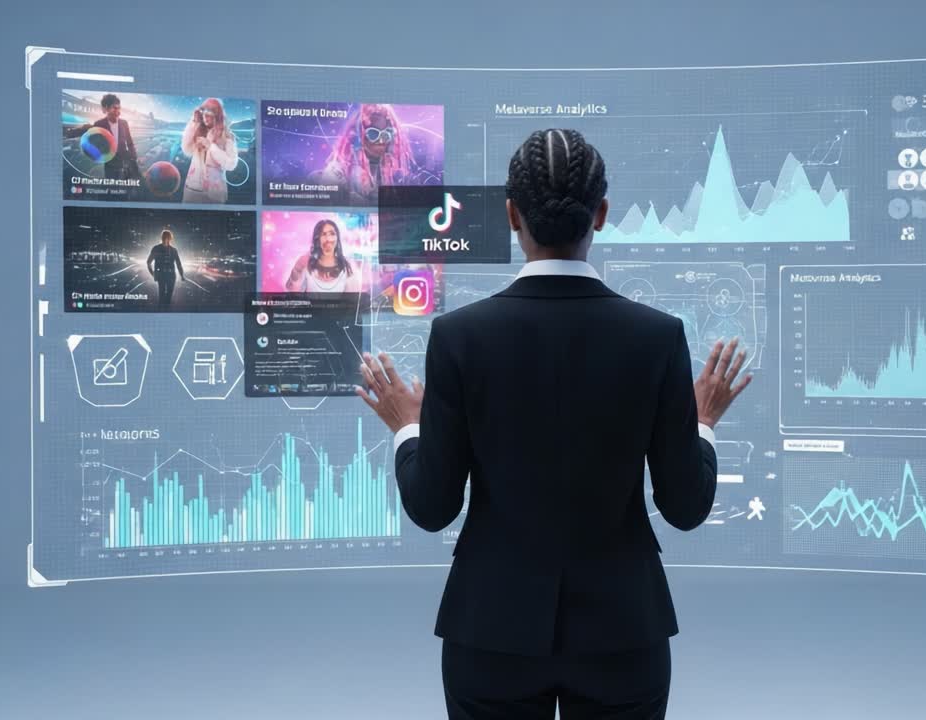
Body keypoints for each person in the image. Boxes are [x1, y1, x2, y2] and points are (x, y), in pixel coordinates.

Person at [357, 129, 751, 719]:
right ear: (602, 213)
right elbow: (686, 507)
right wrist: (703, 424)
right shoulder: (657, 338)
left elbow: (432, 506)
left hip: (490, 632)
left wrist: (406, 428)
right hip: (624, 635)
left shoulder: (459, 337)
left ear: (513, 214)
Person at [310, 103, 414, 205]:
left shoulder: (391, 171)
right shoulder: (337, 172)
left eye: (387, 133)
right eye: (373, 133)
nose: (381, 140)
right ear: (358, 136)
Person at [181, 98, 239, 204]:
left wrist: (210, 146)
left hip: (215, 193)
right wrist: (194, 122)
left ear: (217, 116)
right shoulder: (197, 131)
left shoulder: (227, 137)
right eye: (203, 114)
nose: (204, 117)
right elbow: (186, 149)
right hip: (193, 189)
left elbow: (231, 164)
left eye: (209, 114)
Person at [283, 218, 361, 293]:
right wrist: (297, 269)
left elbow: (353, 301)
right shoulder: (306, 262)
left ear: (337, 238)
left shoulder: (347, 265)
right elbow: (291, 292)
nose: (328, 239)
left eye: (332, 234)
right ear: (317, 239)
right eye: (323, 234)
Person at [92, 93, 141, 183]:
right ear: (106, 108)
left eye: (119, 108)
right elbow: (95, 145)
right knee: (113, 188)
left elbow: (129, 142)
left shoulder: (124, 123)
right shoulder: (99, 124)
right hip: (110, 164)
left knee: (129, 187)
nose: (118, 111)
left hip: (126, 161)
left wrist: (133, 157)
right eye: (115, 108)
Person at [146, 229, 185, 308]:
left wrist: (182, 275)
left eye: (167, 237)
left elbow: (178, 263)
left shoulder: (173, 250)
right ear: (162, 238)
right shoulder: (156, 248)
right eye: (164, 237)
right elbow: (148, 262)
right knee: (162, 294)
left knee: (169, 295)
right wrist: (153, 273)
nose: (165, 239)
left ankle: (165, 310)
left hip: (171, 275)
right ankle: (161, 311)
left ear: (170, 238)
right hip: (162, 275)